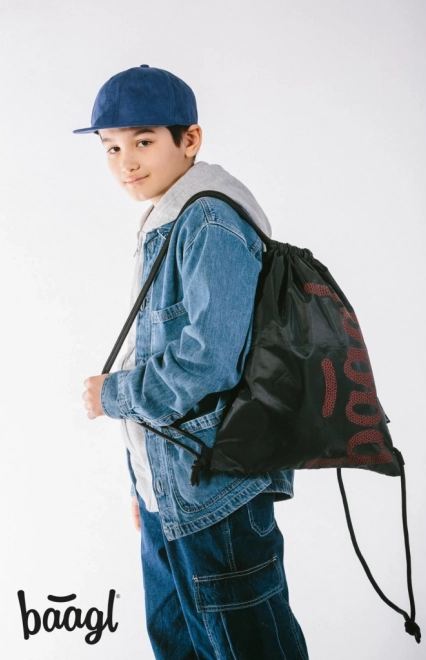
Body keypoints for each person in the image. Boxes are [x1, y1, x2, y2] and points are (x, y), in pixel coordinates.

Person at [78, 64, 310, 659]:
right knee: (180, 645)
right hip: (171, 489)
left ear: (190, 139)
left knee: (246, 648)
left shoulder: (209, 220)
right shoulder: (166, 219)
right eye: (111, 147)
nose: (125, 162)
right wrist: (145, 485)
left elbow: (208, 363)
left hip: (214, 491)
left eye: (143, 141)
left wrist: (113, 394)